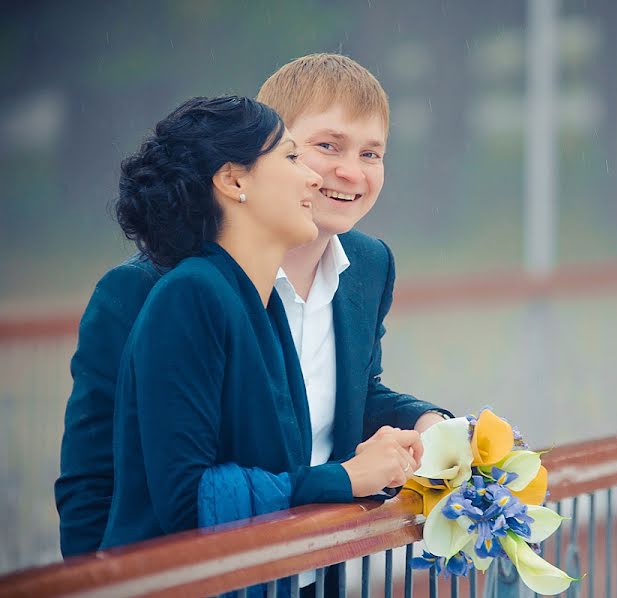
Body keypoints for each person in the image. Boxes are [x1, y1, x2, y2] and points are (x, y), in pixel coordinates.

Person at [55, 54, 450, 558]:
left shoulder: (369, 267)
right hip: (188, 576)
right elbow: (103, 478)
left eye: (372, 154)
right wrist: (93, 584)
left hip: (298, 570)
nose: (349, 172)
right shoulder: (158, 289)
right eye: (323, 147)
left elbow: (340, 396)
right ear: (244, 167)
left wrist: (427, 423)